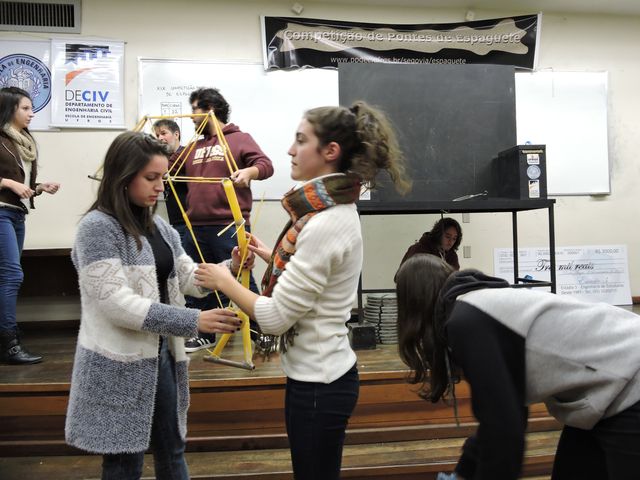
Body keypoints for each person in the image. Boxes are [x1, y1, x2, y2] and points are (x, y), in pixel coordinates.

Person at [193, 101, 411, 480]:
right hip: (316, 380)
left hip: (320, 386)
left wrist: (223, 281)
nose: (290, 150)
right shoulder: (323, 211)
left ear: (330, 151)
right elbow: (313, 284)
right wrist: (268, 255)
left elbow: (276, 318)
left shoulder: (326, 221)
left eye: (300, 140)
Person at [65, 131, 242, 480]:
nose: (161, 187)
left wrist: (230, 267)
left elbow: (188, 277)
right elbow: (116, 303)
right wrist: (193, 320)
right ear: (123, 175)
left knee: (172, 450)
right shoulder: (96, 228)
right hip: (116, 362)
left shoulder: (159, 225)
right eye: (151, 177)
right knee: (123, 460)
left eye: (163, 177)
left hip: (161, 356)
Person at [395, 254, 640, 480]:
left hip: (629, 377)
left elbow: (505, 433)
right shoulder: (478, 308)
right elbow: (504, 415)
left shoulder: (467, 321)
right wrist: (463, 472)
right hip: (609, 386)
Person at [183, 87, 273, 352]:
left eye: (195, 110)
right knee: (200, 279)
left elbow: (265, 165)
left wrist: (249, 172)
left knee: (242, 278)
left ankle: (262, 331)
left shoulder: (239, 139)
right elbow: (170, 164)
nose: (191, 116)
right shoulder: (195, 146)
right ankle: (205, 333)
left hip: (228, 224)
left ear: (210, 109)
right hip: (195, 226)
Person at [0, 86, 60, 365]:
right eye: (25, 108)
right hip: (1, 212)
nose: (31, 113)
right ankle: (9, 344)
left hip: (16, 214)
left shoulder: (23, 141)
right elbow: (10, 182)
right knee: (12, 275)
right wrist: (8, 183)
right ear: (9, 108)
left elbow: (21, 183)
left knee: (8, 276)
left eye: (31, 108)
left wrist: (38, 187)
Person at [152, 119, 188, 243]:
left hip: (191, 222)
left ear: (176, 134)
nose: (160, 138)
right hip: (175, 221)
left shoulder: (187, 154)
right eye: (157, 135)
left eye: (163, 133)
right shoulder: (162, 159)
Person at [396, 217, 462, 280]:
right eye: (447, 237)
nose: (451, 242)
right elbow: (403, 277)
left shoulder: (452, 255)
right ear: (439, 234)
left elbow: (454, 279)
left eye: (454, 238)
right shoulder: (418, 249)